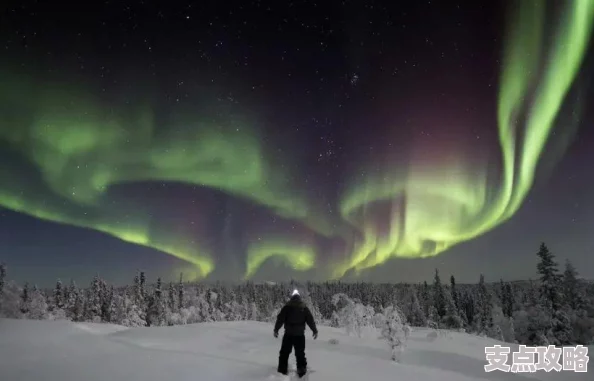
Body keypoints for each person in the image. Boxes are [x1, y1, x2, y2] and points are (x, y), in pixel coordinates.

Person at [273, 289, 318, 377]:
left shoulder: (287, 307)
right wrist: (314, 331)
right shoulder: (304, 307)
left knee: (284, 353)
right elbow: (310, 320)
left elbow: (280, 319)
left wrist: (276, 330)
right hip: (300, 335)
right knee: (300, 353)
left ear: (292, 297)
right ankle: (301, 370)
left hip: (288, 334)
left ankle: (282, 370)